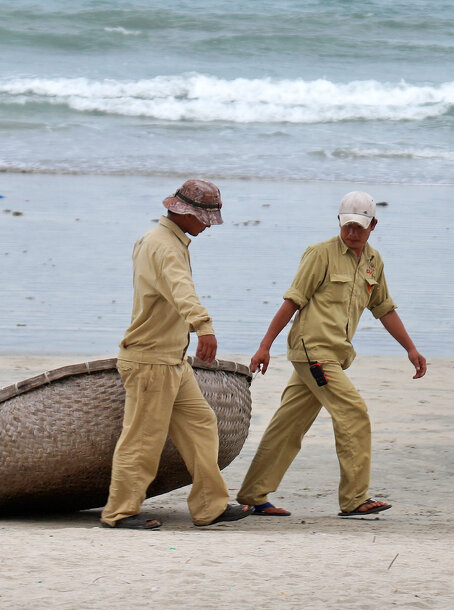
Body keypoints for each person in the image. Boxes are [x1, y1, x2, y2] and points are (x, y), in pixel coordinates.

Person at [237, 190, 427, 518]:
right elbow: (292, 300)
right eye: (347, 225)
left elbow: (383, 308)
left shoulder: (373, 261)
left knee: (288, 424)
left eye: (359, 227)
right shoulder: (319, 254)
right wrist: (264, 345)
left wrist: (410, 349)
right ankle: (355, 499)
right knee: (353, 412)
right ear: (339, 222)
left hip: (335, 355)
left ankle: (253, 495)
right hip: (313, 353)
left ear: (373, 225)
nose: (352, 232)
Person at [100, 179, 251, 530]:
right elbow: (182, 291)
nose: (206, 227)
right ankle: (119, 512)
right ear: (185, 213)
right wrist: (205, 326)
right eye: (204, 219)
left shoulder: (161, 240)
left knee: (201, 423)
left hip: (171, 359)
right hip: (151, 360)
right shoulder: (165, 247)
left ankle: (209, 506)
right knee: (142, 439)